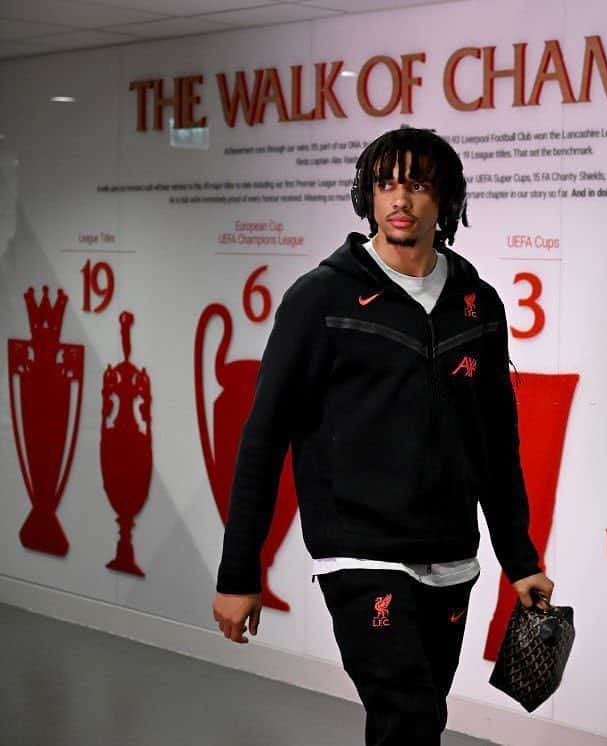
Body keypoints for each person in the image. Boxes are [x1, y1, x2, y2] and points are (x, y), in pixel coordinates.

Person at [212, 126, 554, 746]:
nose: (400, 199)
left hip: (452, 554)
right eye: (386, 183)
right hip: (360, 549)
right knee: (407, 716)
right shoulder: (320, 297)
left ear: (444, 202)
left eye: (418, 185)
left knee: (420, 719)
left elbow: (496, 444)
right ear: (367, 197)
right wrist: (240, 572)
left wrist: (521, 561)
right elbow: (263, 440)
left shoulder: (478, 304)